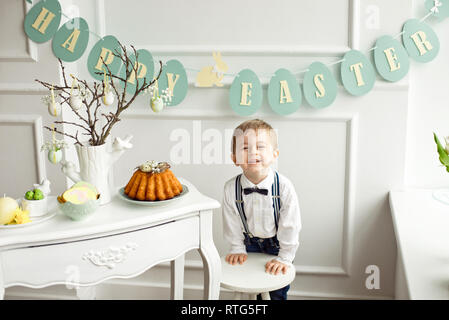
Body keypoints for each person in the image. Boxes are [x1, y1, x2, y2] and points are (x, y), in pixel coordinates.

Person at [222, 119, 301, 300]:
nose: (253, 152)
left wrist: (285, 257)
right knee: (249, 287)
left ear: (274, 154)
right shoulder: (230, 188)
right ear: (234, 159)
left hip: (278, 246)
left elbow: (291, 225)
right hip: (248, 245)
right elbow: (231, 222)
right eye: (244, 148)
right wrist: (236, 248)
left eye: (260, 146)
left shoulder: (284, 187)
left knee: (275, 293)